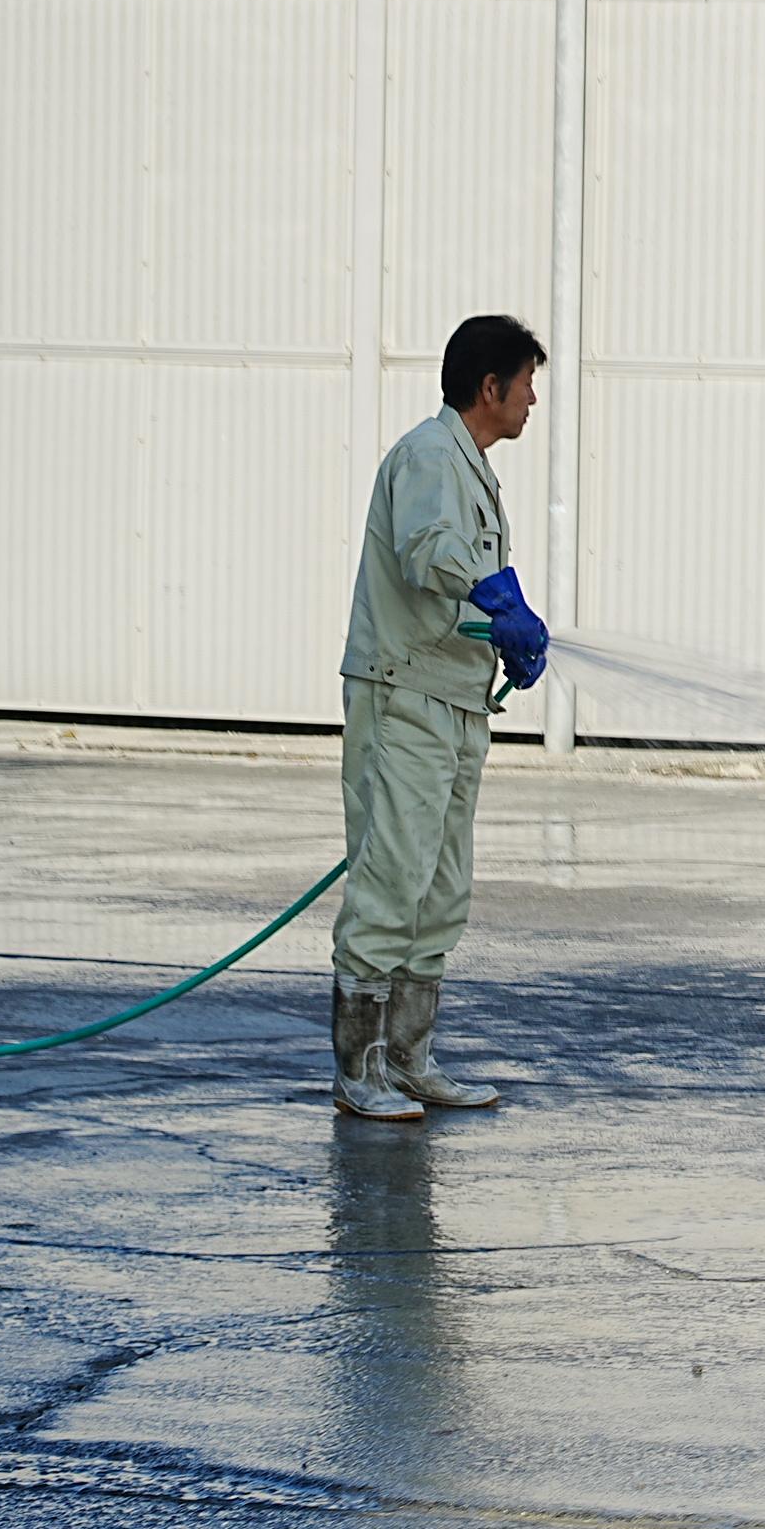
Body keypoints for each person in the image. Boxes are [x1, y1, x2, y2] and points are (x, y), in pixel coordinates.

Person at [327, 315, 552, 1120]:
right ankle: (360, 1070)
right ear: (489, 387)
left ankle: (412, 1059)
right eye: (527, 382)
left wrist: (507, 637)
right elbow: (428, 551)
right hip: (405, 697)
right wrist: (495, 596)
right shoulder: (429, 456)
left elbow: (466, 580)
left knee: (441, 888)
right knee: (391, 880)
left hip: (452, 700)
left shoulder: (474, 469)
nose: (532, 399)